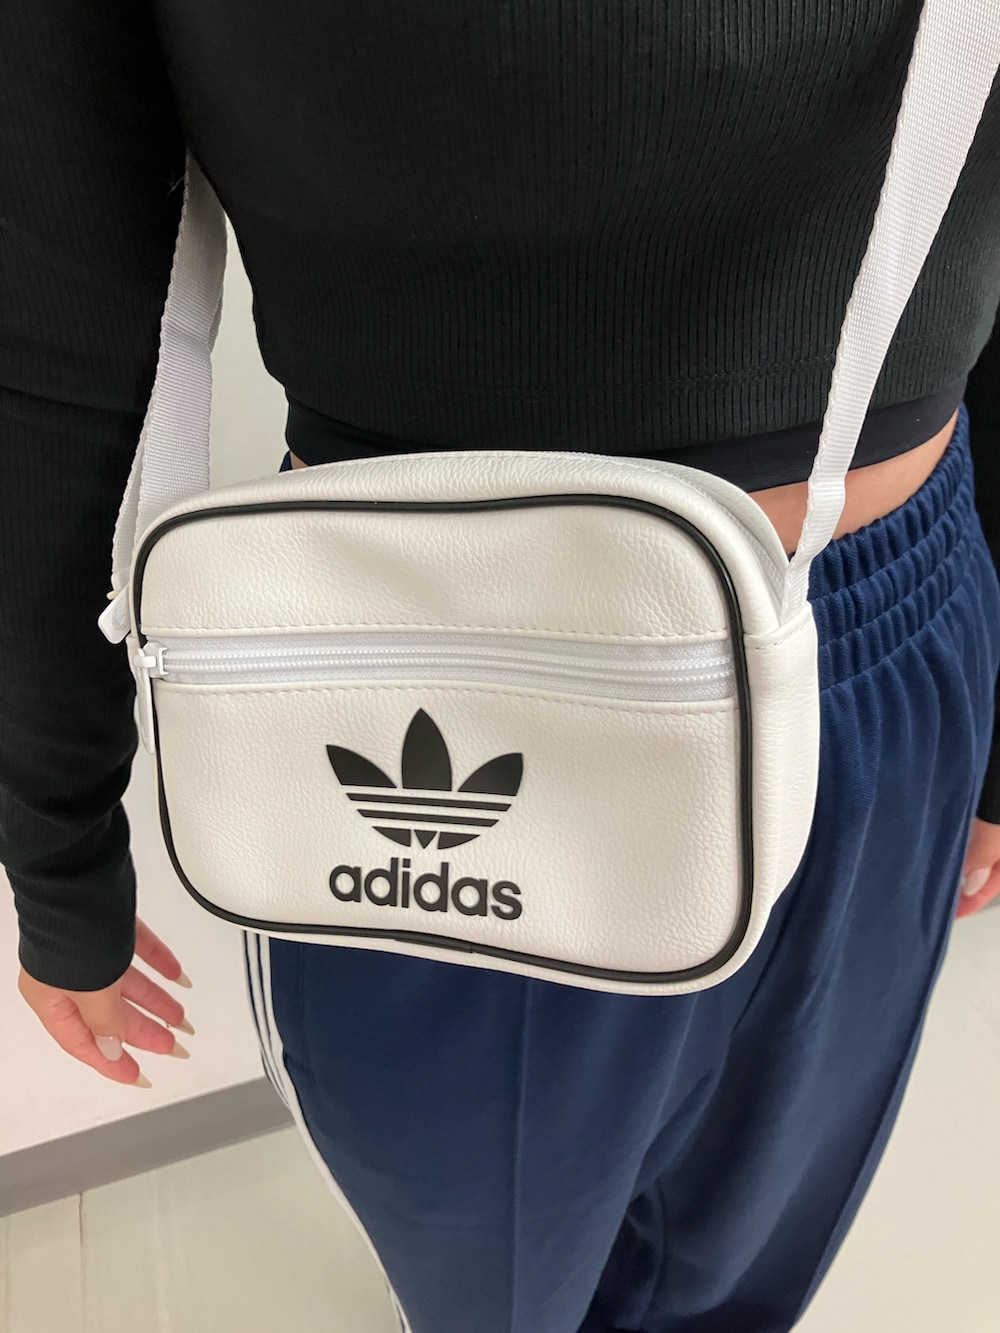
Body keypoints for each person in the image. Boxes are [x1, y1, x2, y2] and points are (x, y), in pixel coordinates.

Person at [2, 3, 998, 1330]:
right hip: (419, 673)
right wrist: (57, 850)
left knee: (753, 1254)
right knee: (494, 1287)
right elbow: (50, 351)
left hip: (885, 629)